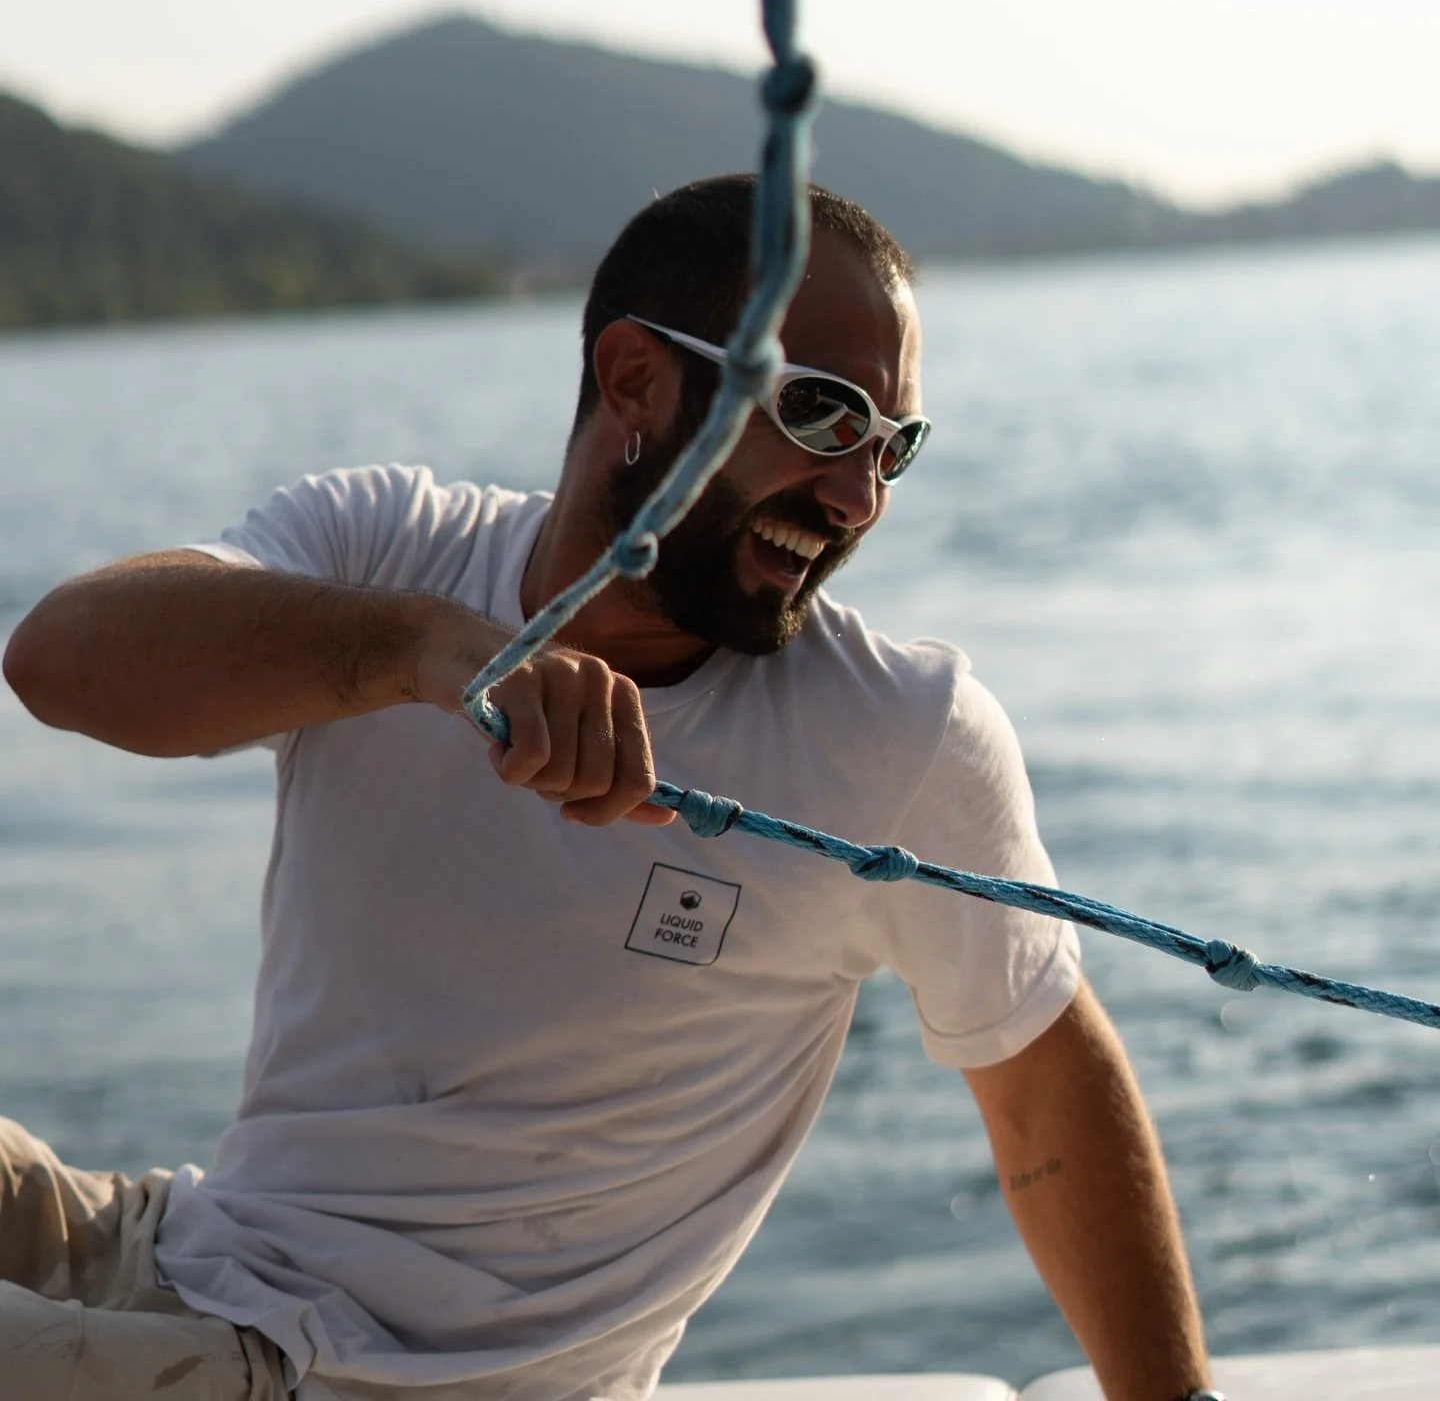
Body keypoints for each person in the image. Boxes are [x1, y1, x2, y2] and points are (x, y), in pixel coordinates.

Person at [2, 177, 1218, 1401]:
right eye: (819, 412)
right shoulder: (383, 547)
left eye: (892, 445)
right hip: (188, 1250)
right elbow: (58, 659)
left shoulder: (900, 738)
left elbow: (1045, 1088)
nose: (860, 496)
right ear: (636, 379)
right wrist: (418, 652)